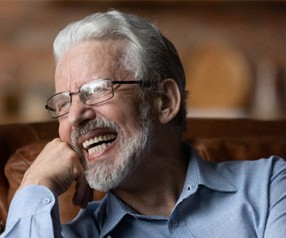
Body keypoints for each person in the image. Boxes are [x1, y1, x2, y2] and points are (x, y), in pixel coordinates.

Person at [1, 10, 286, 238]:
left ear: (164, 101)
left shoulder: (269, 186)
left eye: (98, 89)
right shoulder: (75, 234)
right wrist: (35, 184)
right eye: (64, 102)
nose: (75, 117)